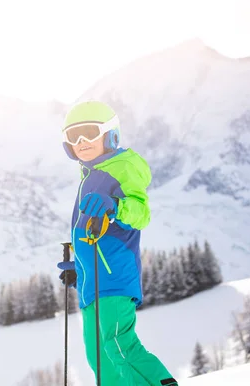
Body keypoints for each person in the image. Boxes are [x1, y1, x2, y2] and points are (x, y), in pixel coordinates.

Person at [57, 101, 178, 386]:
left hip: (113, 279)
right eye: (74, 136)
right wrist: (79, 269)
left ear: (110, 134)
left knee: (118, 345)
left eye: (89, 133)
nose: (82, 142)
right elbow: (95, 236)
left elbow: (141, 213)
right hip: (92, 284)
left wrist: (115, 206)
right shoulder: (90, 174)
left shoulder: (121, 168)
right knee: (98, 355)